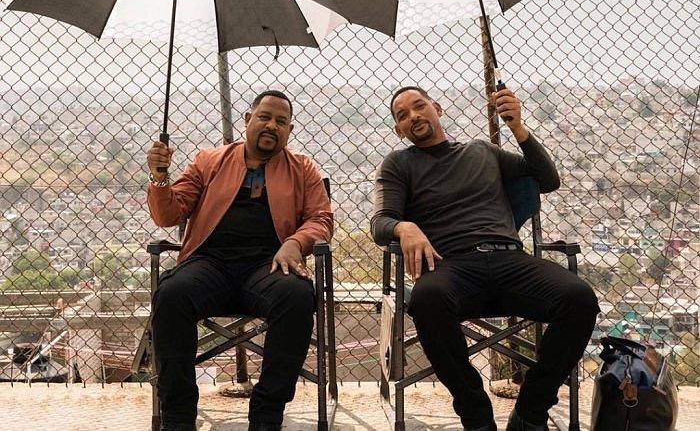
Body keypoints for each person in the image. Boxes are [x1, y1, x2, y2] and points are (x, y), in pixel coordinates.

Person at [371, 86, 599, 431]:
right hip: (451, 267)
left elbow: (548, 180)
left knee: (580, 299)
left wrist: (518, 128)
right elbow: (380, 223)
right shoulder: (398, 164)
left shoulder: (482, 151)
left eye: (419, 106)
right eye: (403, 116)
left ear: (437, 108)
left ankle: (531, 412)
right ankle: (476, 416)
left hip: (510, 260)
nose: (413, 116)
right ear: (399, 130)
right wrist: (404, 227)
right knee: (426, 300)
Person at [146, 89, 332, 431]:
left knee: (297, 297)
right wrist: (160, 178)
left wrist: (295, 243)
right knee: (171, 295)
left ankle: (266, 415)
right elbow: (168, 215)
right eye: (265, 117)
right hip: (209, 264)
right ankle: (178, 417)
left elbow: (321, 219)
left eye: (281, 121)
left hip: (269, 266)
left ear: (289, 130)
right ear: (248, 120)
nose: (271, 125)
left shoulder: (302, 168)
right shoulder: (209, 161)